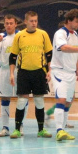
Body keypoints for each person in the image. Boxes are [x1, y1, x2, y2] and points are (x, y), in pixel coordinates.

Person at [49, 9, 78, 141]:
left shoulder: (74, 34)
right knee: (61, 99)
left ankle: (63, 129)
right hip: (59, 71)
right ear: (69, 21)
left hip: (70, 72)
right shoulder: (60, 33)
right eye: (77, 21)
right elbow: (63, 48)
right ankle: (59, 130)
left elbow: (72, 54)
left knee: (69, 101)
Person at [8, 11, 53, 139]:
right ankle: (17, 129)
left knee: (39, 100)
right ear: (26, 21)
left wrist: (49, 71)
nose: (34, 23)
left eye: (36, 21)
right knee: (21, 101)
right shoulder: (19, 36)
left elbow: (49, 54)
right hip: (23, 72)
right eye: (31, 21)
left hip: (39, 72)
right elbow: (13, 56)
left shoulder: (43, 35)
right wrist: (12, 73)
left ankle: (41, 130)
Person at [0, 15, 28, 137]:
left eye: (11, 23)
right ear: (4, 24)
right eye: (6, 23)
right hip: (4, 70)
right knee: (5, 98)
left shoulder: (21, 36)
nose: (8, 25)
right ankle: (5, 127)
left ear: (15, 24)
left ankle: (20, 125)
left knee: (22, 98)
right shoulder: (1, 37)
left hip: (20, 70)